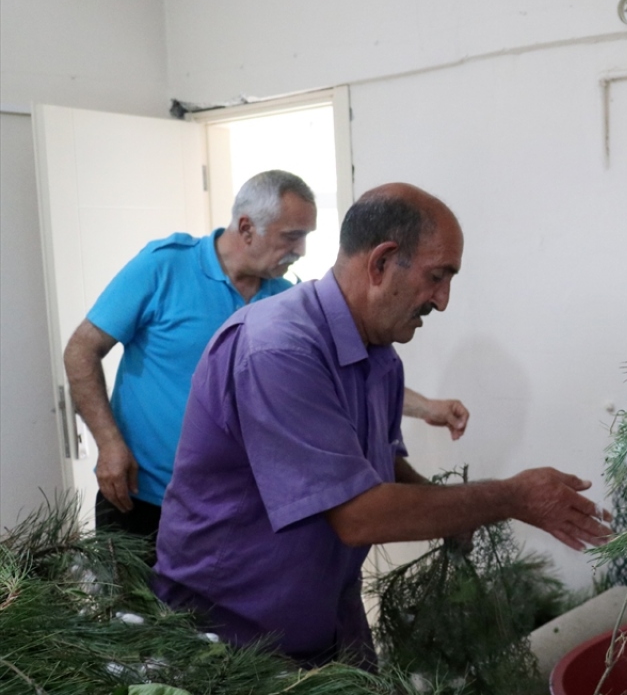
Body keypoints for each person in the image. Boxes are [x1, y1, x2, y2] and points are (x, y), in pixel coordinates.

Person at [152, 183, 612, 667]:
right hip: (232, 639)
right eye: (437, 277)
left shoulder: (381, 359)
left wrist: (455, 515)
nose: (443, 300)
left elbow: (375, 465)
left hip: (327, 623)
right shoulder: (278, 349)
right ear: (381, 263)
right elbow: (358, 515)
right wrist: (512, 497)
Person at [63, 171, 471, 548]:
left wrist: (425, 409)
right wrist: (109, 444)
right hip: (143, 495)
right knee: (132, 622)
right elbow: (81, 350)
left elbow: (333, 385)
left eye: (307, 236)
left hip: (232, 512)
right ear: (246, 228)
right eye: (292, 236)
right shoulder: (164, 267)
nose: (301, 250)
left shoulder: (286, 299)